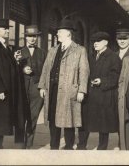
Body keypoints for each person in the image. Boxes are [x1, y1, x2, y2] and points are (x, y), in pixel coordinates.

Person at [38, 18, 90, 150]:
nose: (57, 34)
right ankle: (54, 147)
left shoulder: (79, 50)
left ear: (68, 33)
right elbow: (45, 69)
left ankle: (68, 147)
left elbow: (84, 71)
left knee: (68, 121)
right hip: (52, 90)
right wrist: (42, 86)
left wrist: (81, 91)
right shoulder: (53, 50)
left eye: (60, 32)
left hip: (69, 91)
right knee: (53, 120)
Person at [0, 19, 29, 149]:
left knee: (1, 126)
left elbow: (6, 66)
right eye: (5, 29)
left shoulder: (4, 46)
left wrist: (15, 60)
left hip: (5, 92)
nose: (8, 31)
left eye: (8, 28)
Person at [77, 32, 121, 150]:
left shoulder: (113, 57)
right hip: (90, 95)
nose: (95, 43)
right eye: (93, 41)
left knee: (103, 125)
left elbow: (115, 76)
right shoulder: (91, 56)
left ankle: (102, 148)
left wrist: (102, 81)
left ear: (106, 42)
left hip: (104, 95)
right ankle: (81, 146)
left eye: (98, 41)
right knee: (84, 121)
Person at [19, 25, 46, 149]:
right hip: (22, 89)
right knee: (22, 116)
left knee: (33, 117)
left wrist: (43, 88)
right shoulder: (18, 52)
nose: (32, 39)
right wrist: (23, 68)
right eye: (30, 36)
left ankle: (28, 145)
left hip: (37, 89)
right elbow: (13, 70)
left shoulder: (42, 53)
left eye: (34, 36)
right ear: (25, 37)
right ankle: (20, 143)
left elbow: (46, 72)